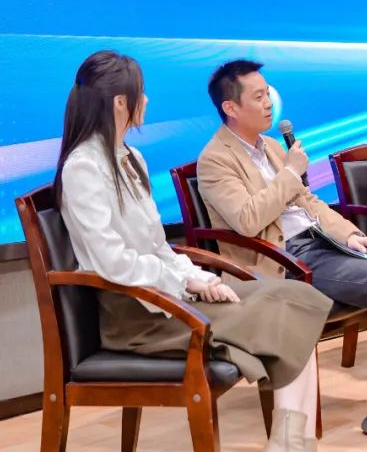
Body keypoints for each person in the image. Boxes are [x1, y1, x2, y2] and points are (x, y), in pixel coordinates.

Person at [56, 51, 333, 452]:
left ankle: (294, 443)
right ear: (119, 102)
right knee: (284, 308)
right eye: (140, 93)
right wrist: (185, 282)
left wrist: (199, 278)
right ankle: (291, 446)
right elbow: (112, 263)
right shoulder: (83, 167)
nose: (146, 100)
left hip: (168, 295)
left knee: (297, 297)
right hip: (139, 314)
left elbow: (157, 246)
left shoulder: (130, 158)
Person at [196, 60, 367, 446]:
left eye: (268, 94)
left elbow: (309, 202)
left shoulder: (271, 147)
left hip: (322, 244)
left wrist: (350, 233)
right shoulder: (215, 159)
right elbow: (247, 220)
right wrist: (290, 173)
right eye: (258, 97)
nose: (269, 103)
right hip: (285, 259)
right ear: (230, 107)